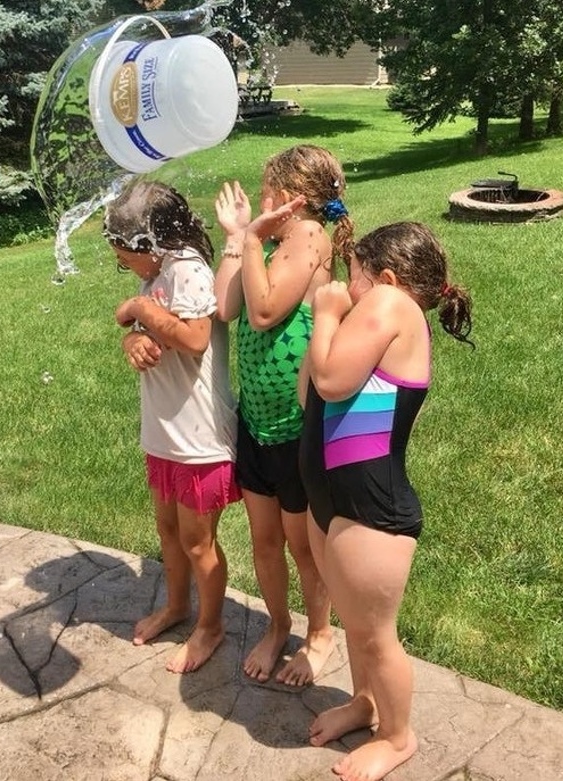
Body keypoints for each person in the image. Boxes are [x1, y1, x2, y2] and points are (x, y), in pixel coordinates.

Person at [300, 222, 473, 780]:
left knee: (376, 634)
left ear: (389, 279)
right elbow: (310, 389)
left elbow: (328, 382)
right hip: (334, 498)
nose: (348, 292)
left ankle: (398, 738)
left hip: (373, 508)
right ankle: (364, 703)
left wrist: (326, 316)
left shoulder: (393, 305)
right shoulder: (374, 315)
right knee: (355, 624)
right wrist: (325, 319)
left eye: (355, 280)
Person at [214, 144, 355, 686]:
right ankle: (277, 626)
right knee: (265, 540)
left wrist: (251, 239)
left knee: (302, 544)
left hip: (296, 427)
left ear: (291, 198)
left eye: (265, 186)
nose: (260, 195)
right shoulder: (273, 242)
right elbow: (228, 308)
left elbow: (266, 309)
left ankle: (318, 633)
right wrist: (237, 236)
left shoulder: (309, 238)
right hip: (257, 419)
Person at [104, 178, 241, 674]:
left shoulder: (187, 270)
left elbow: (197, 337)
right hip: (165, 430)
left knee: (198, 542)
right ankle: (178, 606)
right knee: (168, 530)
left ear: (150, 241)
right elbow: (149, 331)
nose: (121, 261)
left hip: (198, 437)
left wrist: (139, 310)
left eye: (123, 252)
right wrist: (131, 339)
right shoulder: (157, 273)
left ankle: (210, 626)